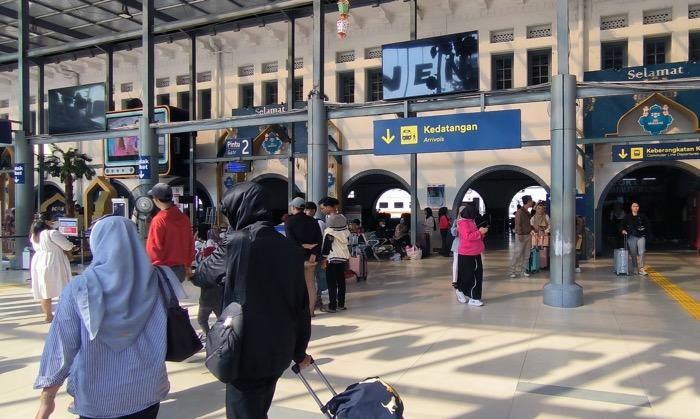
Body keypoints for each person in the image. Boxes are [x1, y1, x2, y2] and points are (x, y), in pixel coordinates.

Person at [34, 216, 178, 419]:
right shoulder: (159, 279)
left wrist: (47, 399)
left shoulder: (80, 288)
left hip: (97, 397)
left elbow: (62, 346)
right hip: (147, 389)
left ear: (97, 243)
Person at [194, 183, 312, 418]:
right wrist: (299, 352)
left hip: (244, 348)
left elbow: (203, 275)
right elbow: (301, 306)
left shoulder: (236, 242)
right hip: (279, 347)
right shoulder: (289, 248)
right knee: (260, 408)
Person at [30, 213, 75, 323]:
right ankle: (64, 314)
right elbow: (67, 246)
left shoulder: (34, 234)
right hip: (53, 261)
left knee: (44, 289)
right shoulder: (52, 233)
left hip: (39, 262)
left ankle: (48, 315)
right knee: (62, 287)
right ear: (48, 222)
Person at [146, 183, 195, 282]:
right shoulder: (184, 218)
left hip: (163, 270)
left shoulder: (159, 220)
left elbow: (153, 249)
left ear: (157, 200)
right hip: (180, 270)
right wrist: (188, 265)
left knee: (162, 297)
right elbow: (190, 243)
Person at [285, 197, 323, 316]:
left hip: (296, 257)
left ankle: (299, 312)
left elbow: (290, 241)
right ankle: (311, 311)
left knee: (296, 284)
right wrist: (314, 253)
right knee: (311, 284)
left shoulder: (289, 222)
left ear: (293, 208)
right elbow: (319, 239)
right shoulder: (313, 221)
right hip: (311, 259)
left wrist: (302, 245)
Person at [192, 226, 222, 339]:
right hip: (219, 298)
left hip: (206, 300)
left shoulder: (202, 267)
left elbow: (197, 281)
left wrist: (191, 277)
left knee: (202, 320)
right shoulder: (221, 266)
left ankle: (209, 336)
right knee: (222, 319)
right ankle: (221, 336)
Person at [456, 205, 489, 306]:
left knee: (471, 275)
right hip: (468, 253)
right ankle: (473, 298)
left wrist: (481, 233)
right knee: (473, 276)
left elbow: (474, 235)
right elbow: (468, 237)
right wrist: (480, 232)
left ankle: (461, 290)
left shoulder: (471, 222)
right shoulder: (463, 223)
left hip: (473, 252)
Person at [321, 214, 351, 313]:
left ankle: (332, 306)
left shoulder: (330, 233)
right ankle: (341, 304)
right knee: (341, 282)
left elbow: (326, 247)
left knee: (331, 284)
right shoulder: (346, 232)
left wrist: (323, 258)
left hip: (332, 260)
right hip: (342, 260)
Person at [305, 201, 327, 310]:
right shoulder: (303, 222)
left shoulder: (320, 223)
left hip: (317, 255)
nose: (307, 212)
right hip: (307, 256)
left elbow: (322, 240)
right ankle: (312, 301)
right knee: (311, 279)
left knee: (318, 277)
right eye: (306, 209)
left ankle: (317, 299)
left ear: (314, 211)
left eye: (309, 209)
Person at [620, 201, 651, 275]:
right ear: (631, 208)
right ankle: (635, 268)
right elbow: (621, 225)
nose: (636, 207)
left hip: (641, 236)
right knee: (633, 253)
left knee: (642, 251)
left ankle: (641, 268)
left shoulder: (642, 216)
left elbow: (647, 225)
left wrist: (644, 230)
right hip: (631, 236)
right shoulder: (627, 216)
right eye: (634, 206)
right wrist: (623, 230)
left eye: (637, 206)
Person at [509, 195, 535, 278]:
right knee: (518, 254)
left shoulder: (527, 212)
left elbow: (527, 224)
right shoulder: (519, 212)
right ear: (528, 201)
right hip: (521, 235)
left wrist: (533, 228)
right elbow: (517, 224)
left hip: (528, 235)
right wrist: (519, 234)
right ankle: (512, 271)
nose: (532, 202)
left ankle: (523, 271)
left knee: (527, 254)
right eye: (531, 200)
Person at [450, 206, 466, 290]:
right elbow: (453, 232)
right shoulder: (457, 221)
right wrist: (457, 229)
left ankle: (463, 278)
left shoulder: (471, 221)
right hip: (458, 245)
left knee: (465, 263)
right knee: (456, 262)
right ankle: (455, 280)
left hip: (467, 246)